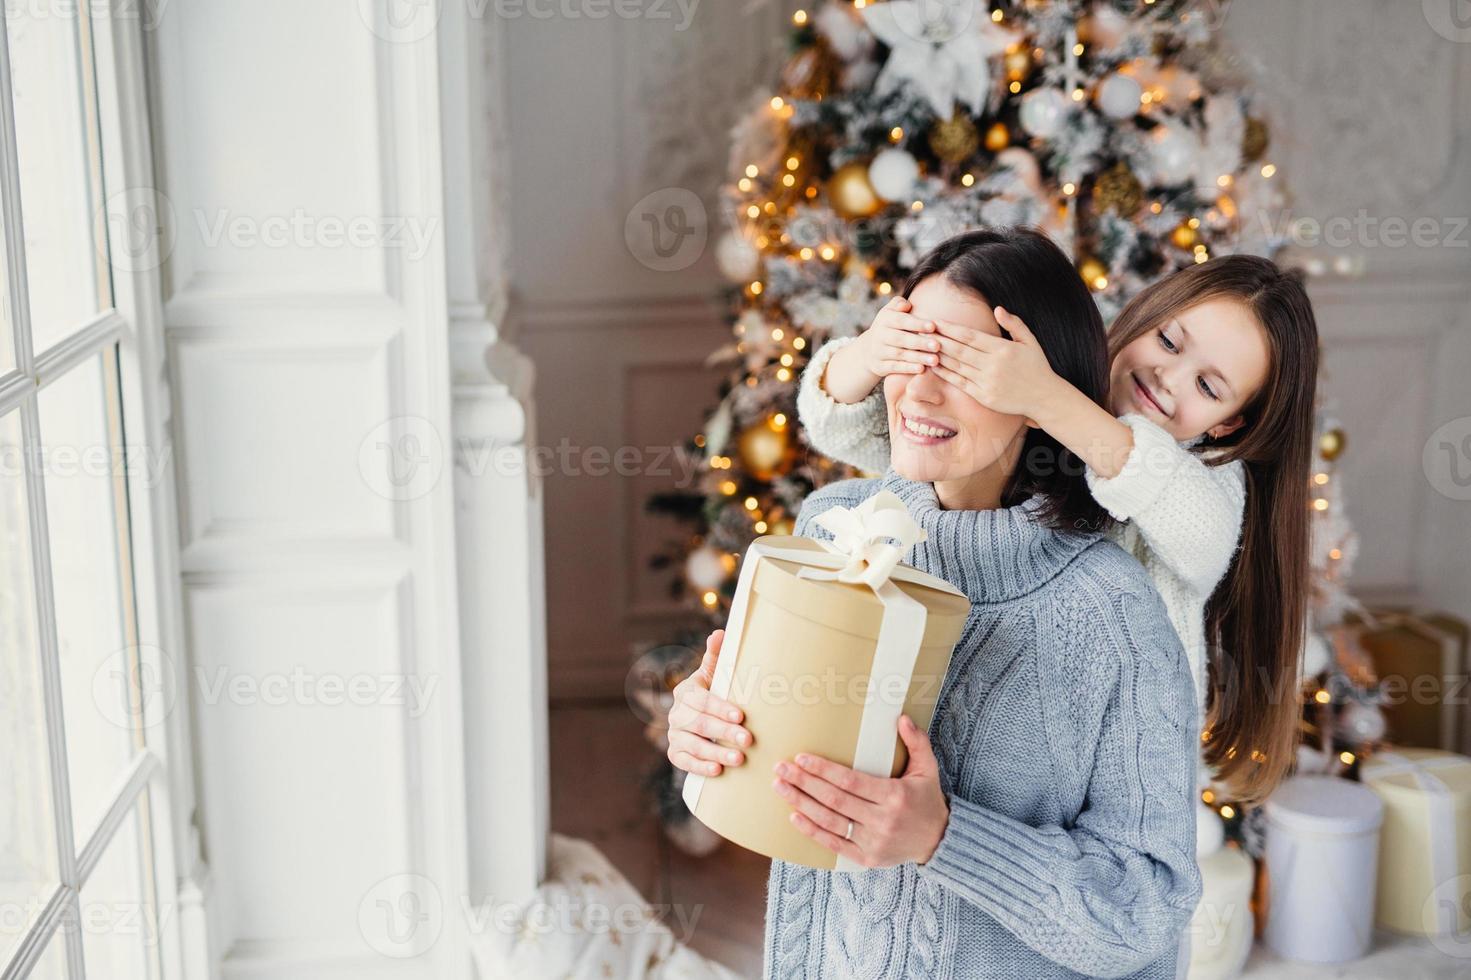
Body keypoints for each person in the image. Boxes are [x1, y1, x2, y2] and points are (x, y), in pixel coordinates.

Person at [668, 229, 1201, 978]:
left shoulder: (1110, 617)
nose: (918, 391)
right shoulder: (831, 526)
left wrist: (943, 836)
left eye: (961, 366)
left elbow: (1145, 910)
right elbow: (777, 787)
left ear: (1034, 395)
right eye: (909, 352)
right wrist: (706, 728)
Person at [799, 250, 1319, 802]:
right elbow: (849, 428)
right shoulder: (1030, 408)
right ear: (1145, 311)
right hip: (989, 727)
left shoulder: (1204, 478)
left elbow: (1186, 513)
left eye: (1208, 388)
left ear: (1230, 423)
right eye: (1168, 342)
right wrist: (870, 355)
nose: (1168, 379)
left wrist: (1043, 398)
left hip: (1114, 766)